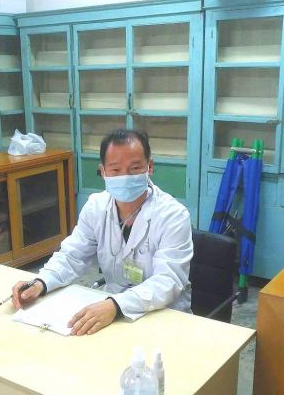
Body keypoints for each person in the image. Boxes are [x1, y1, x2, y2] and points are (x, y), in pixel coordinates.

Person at [11, 128, 193, 336]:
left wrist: (115, 305)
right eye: (115, 170)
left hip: (163, 316)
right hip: (110, 312)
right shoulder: (96, 207)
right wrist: (41, 282)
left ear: (149, 167)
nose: (125, 176)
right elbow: (72, 256)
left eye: (135, 168)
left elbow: (168, 280)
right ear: (103, 171)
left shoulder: (173, 215)